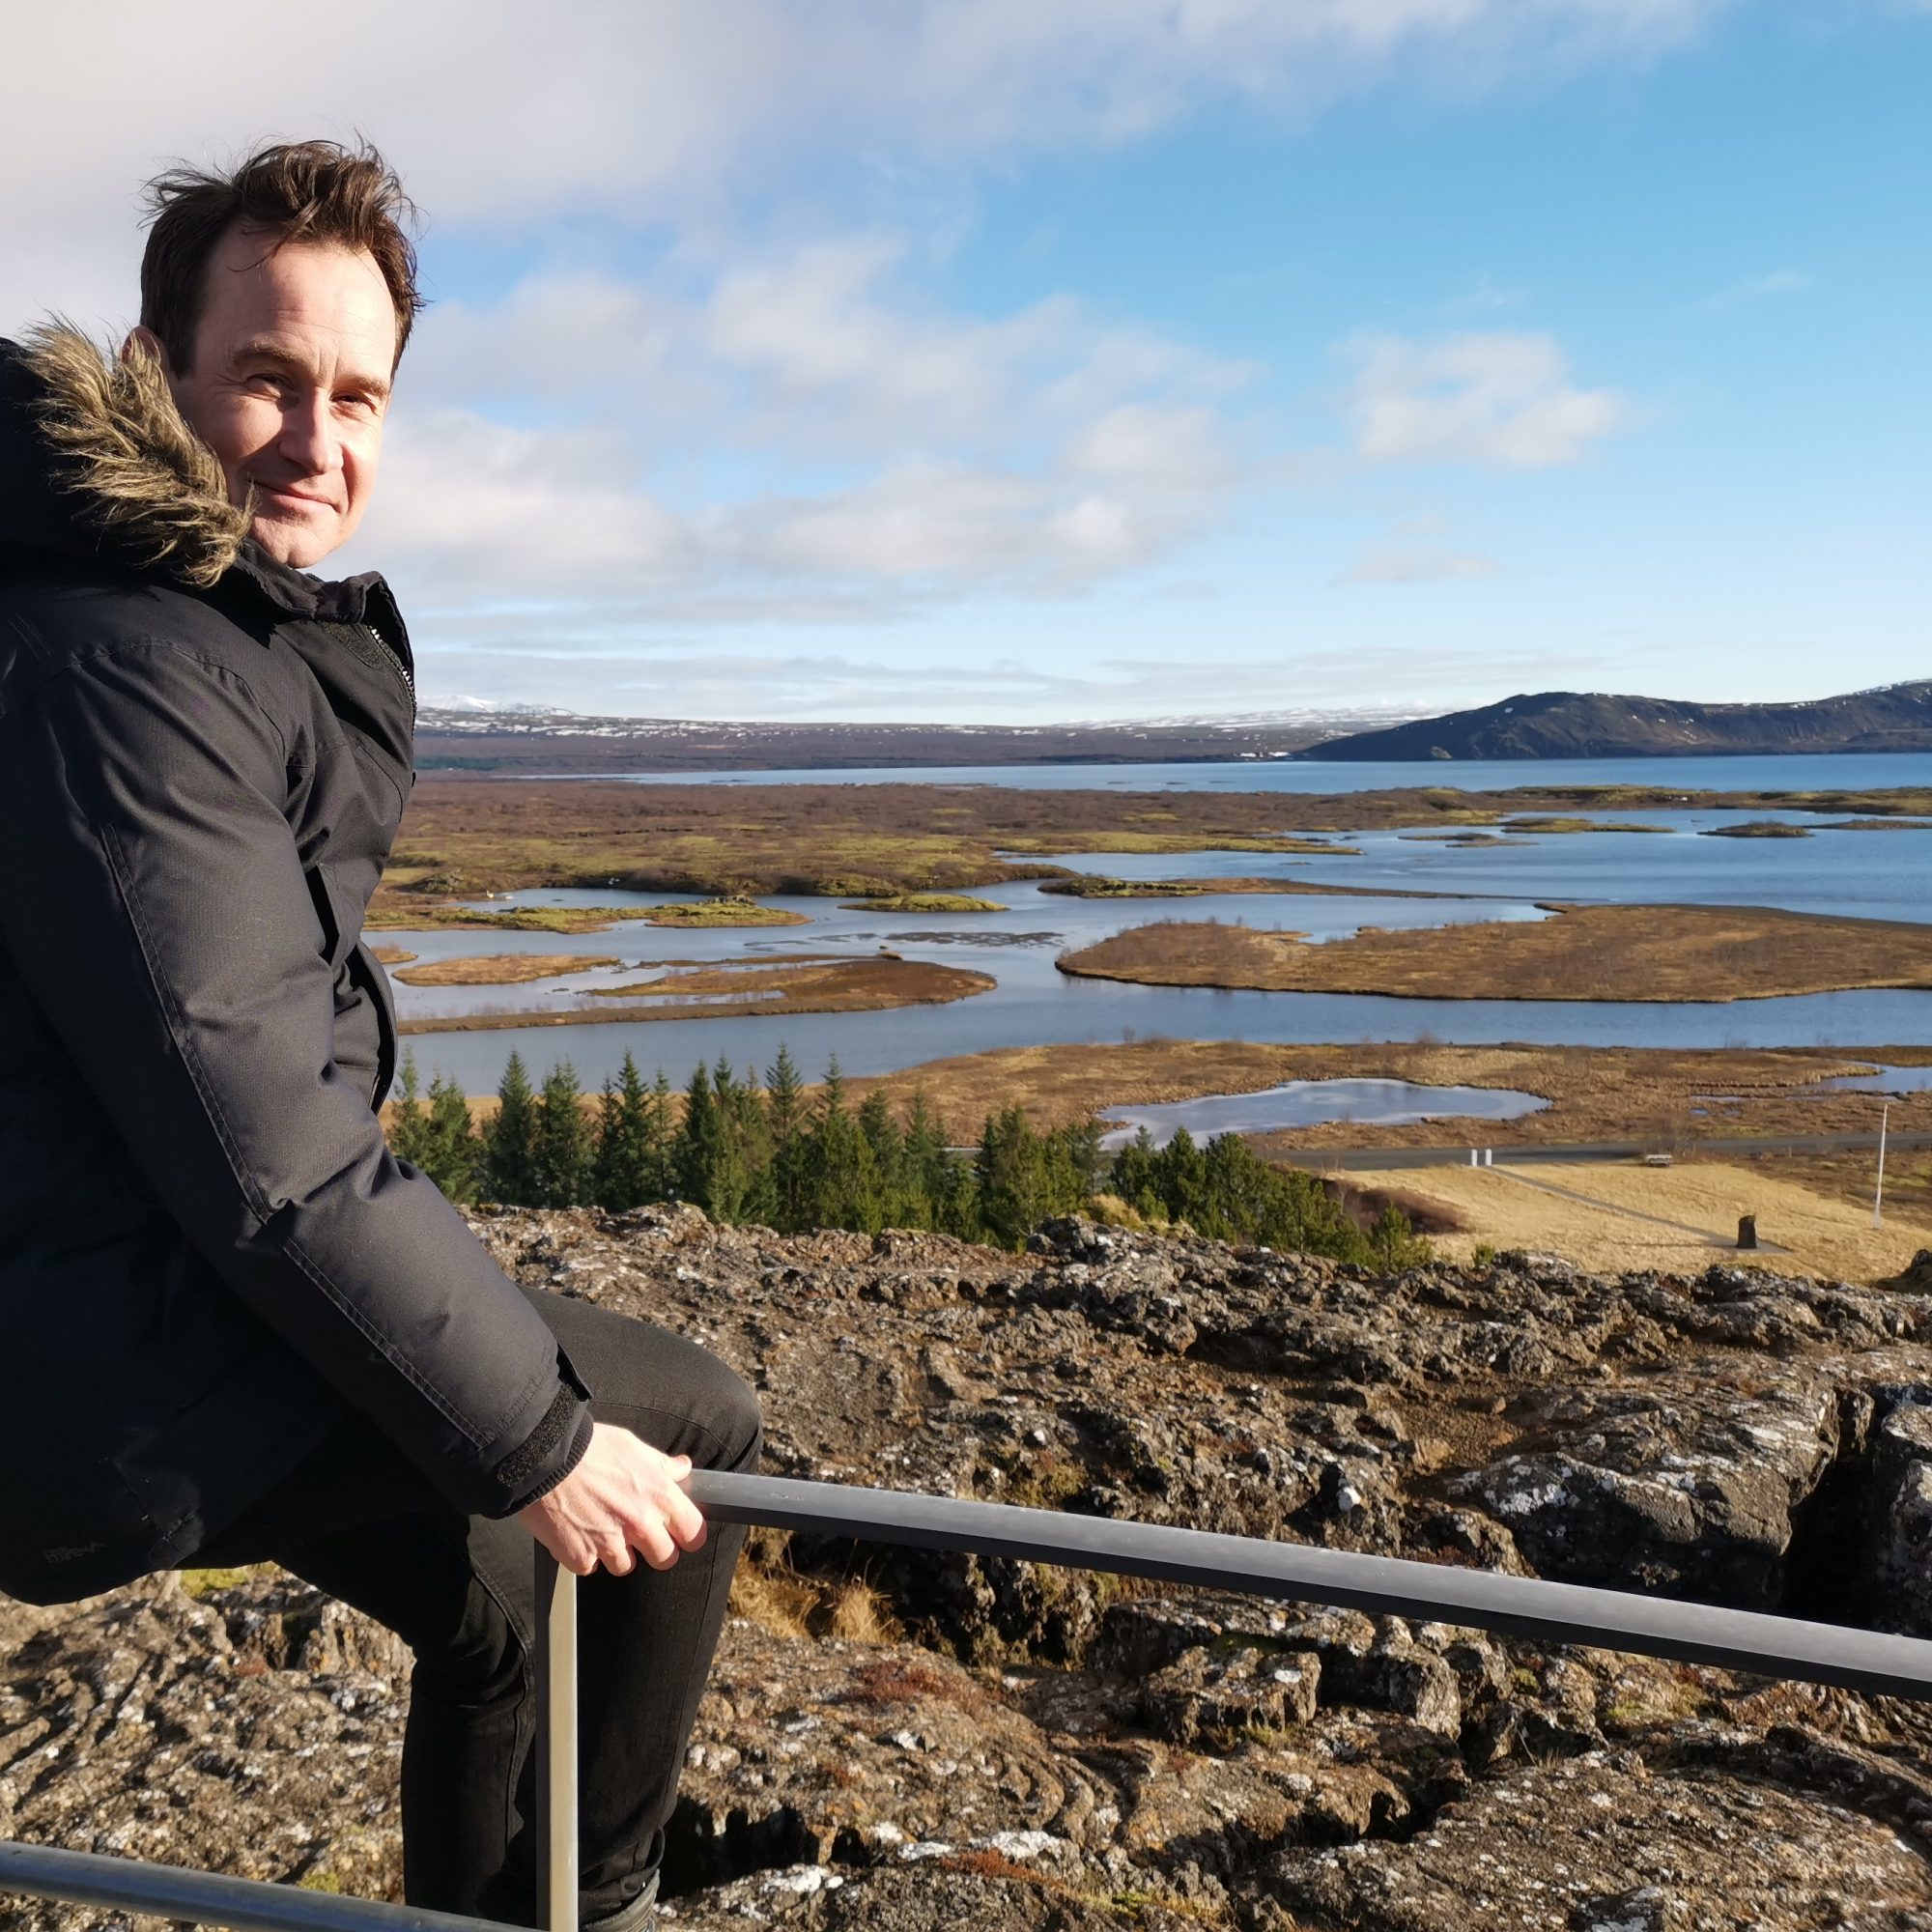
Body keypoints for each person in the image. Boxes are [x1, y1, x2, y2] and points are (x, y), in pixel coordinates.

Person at [0, 139, 761, 1931]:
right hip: (97, 1363)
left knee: (504, 1601)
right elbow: (258, 1128)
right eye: (265, 377)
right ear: (155, 368)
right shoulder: (131, 661)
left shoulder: (183, 624)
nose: (315, 439)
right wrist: (539, 1443)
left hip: (119, 1292)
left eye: (357, 395)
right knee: (693, 1433)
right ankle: (603, 1904)